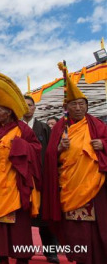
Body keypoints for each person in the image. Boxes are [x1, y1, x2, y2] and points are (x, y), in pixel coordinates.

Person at [43, 64, 107, 264]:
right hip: (70, 185)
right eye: (73, 104)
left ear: (87, 106)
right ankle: (80, 258)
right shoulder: (60, 127)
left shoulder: (97, 124)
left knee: (97, 225)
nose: (78, 108)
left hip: (94, 184)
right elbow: (49, 155)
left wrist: (103, 144)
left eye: (81, 104)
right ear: (66, 107)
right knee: (75, 227)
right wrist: (59, 149)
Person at [0, 72, 41, 264]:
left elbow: (35, 149)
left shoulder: (22, 129)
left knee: (18, 224)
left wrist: (19, 146)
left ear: (8, 111)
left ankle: (22, 258)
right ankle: (2, 257)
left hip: (15, 182)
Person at [22, 95, 59, 264]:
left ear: (34, 107)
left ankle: (51, 252)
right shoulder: (15, 128)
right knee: (22, 221)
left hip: (41, 178)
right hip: (20, 179)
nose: (27, 108)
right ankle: (23, 252)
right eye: (23, 105)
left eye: (30, 105)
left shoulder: (44, 128)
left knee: (45, 218)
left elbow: (52, 153)